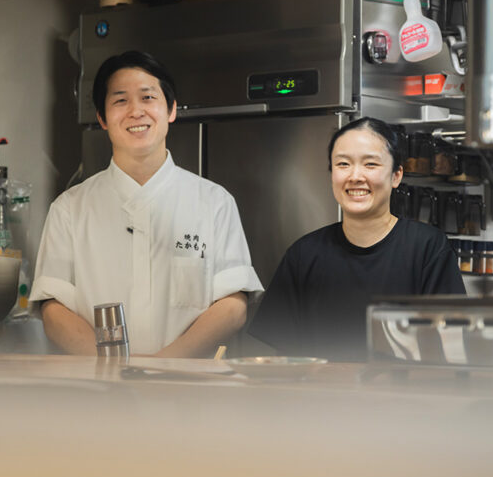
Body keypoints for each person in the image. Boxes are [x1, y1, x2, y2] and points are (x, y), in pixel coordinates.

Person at [29, 50, 262, 357]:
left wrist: (164, 365)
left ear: (171, 110)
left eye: (148, 98)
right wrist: (114, 369)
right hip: (98, 392)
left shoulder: (214, 202)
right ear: (102, 118)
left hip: (191, 392)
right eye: (120, 100)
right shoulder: (69, 208)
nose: (136, 111)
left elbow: (233, 306)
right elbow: (54, 308)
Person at [248, 117, 465, 361]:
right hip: (319, 396)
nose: (355, 176)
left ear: (396, 176)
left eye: (370, 164)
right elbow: (281, 356)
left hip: (402, 396)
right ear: (332, 174)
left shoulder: (427, 248)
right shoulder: (303, 254)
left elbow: (450, 346)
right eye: (343, 164)